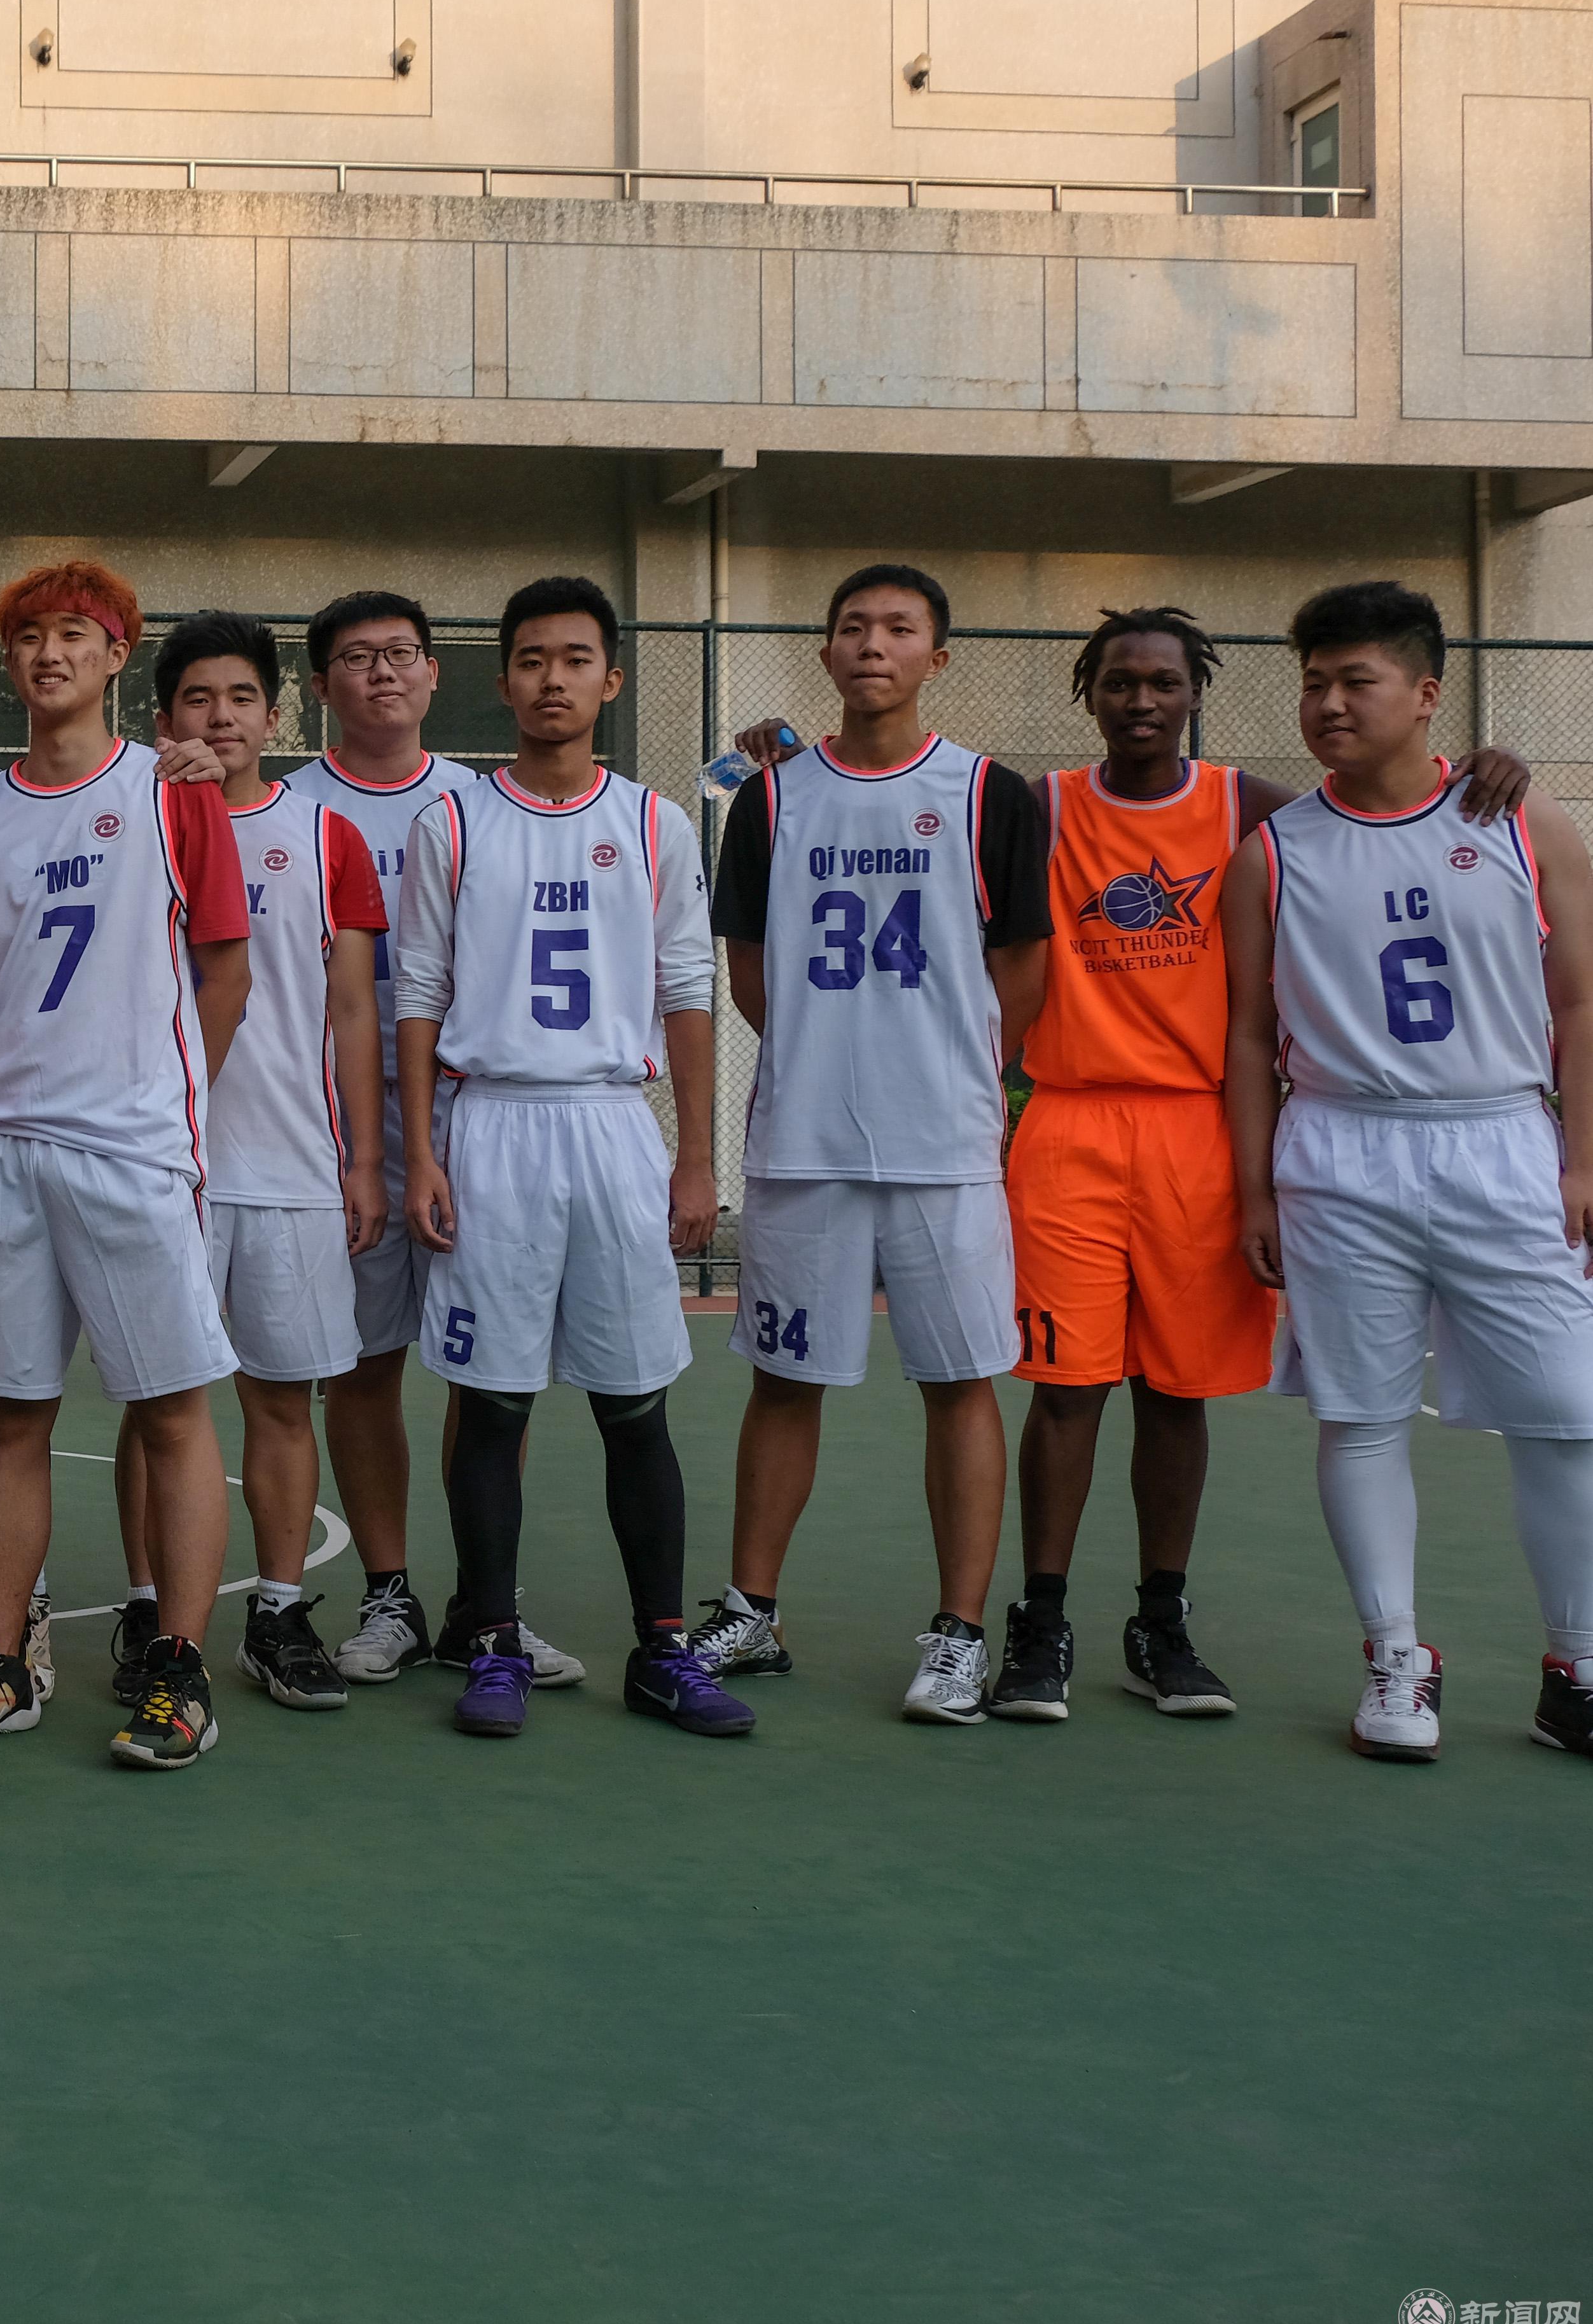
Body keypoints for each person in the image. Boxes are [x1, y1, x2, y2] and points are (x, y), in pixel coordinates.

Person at [727, 625, 1536, 1724]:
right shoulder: (1043, 805)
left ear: (1195, 693)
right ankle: (1041, 1621)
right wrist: (791, 755)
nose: (1142, 699)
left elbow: (1369, 808)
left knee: (1177, 1392)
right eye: (1119, 682)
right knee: (1066, 1391)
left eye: (1163, 681)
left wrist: (1477, 770)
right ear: (1090, 696)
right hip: (1070, 1121)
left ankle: (1162, 1620)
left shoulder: (1249, 807)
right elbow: (899, 801)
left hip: (1197, 1130)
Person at [1222, 580, 1593, 1765]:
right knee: (1362, 1415)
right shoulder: (1272, 853)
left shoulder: (1525, 821)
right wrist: (1255, 1189)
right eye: (1313, 683)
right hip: (1340, 1149)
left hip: (1502, 1139)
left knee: (1568, 1414)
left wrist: (1583, 1161)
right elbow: (1247, 1037)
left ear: (1427, 694)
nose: (1329, 704)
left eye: (1357, 681)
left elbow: (1581, 1004)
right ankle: (1394, 1655)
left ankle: (1577, 1667)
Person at [396, 580, 755, 1739]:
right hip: (492, 1124)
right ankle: (491, 1639)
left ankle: (662, 1649)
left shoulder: (655, 823)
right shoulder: (453, 823)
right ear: (503, 681)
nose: (554, 679)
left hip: (610, 1125)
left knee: (634, 1405)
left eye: (576, 659)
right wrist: (422, 1155)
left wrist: (696, 1159)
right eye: (533, 660)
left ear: (611, 679)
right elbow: (418, 995)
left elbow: (688, 989)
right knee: (493, 1405)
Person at [0, 559, 251, 1770]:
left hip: (131, 1149)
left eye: (75, 634)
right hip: (1, 1146)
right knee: (9, 1417)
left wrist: (162, 1094)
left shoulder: (174, 792)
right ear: (6, 662)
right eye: (29, 637)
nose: (49, 653)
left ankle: (178, 1670)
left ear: (116, 657)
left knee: (171, 1411)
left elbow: (226, 970)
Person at [693, 562, 1048, 1723]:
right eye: (853, 627)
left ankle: (958, 1635)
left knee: (959, 1382)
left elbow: (1023, 967)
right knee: (785, 1379)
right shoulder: (772, 797)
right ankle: (752, 1609)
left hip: (944, 1145)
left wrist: (953, 1066)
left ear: (936, 657)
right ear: (827, 652)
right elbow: (750, 968)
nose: (873, 645)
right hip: (806, 1142)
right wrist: (825, 1054)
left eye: (899, 629)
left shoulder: (989, 792)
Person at [112, 606, 386, 1717]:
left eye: (240, 698)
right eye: (196, 699)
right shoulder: (128, 816)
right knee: (156, 1405)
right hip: (157, 1163)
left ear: (276, 717)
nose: (219, 718)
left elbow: (354, 1011)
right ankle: (148, 1611)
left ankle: (278, 1611)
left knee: (282, 1400)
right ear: (162, 716)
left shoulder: (327, 837)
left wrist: (363, 1159)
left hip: (288, 1164)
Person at [286, 594, 503, 1688]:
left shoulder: (483, 803)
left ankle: (486, 1603)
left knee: (485, 1367)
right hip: (336, 1118)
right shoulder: (287, 808)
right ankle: (388, 1592)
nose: (382, 672)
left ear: (433, 673)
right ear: (320, 685)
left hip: (469, 1112)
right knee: (364, 1364)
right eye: (357, 657)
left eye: (401, 654)